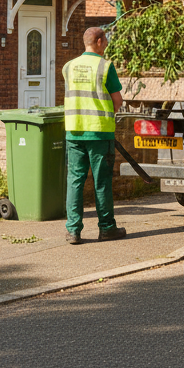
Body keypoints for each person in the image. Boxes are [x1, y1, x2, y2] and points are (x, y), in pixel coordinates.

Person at [61, 26, 126, 245]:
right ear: (98, 41)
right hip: (99, 132)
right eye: (105, 40)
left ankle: (73, 231)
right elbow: (117, 101)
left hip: (74, 131)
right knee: (101, 182)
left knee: (75, 181)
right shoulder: (105, 66)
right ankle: (107, 228)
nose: (106, 44)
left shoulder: (68, 67)